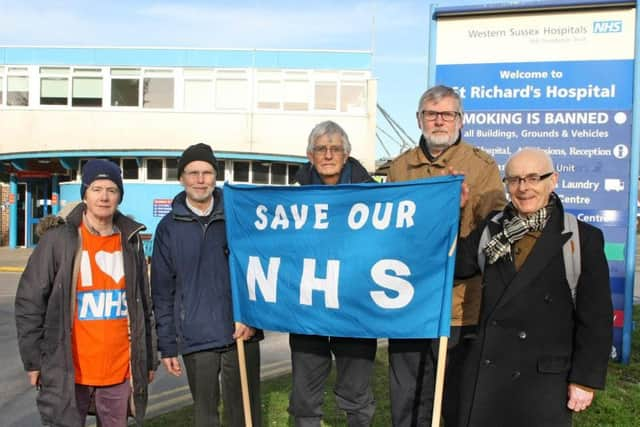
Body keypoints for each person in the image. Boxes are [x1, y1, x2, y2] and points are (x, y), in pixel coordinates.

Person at [454, 148, 612, 426]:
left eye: (533, 178)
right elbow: (453, 267)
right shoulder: (491, 232)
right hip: (488, 378)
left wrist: (584, 380)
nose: (523, 188)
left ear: (553, 181)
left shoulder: (582, 238)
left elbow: (596, 317)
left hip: (544, 383)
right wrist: (452, 211)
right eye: (514, 180)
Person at [386, 85, 506, 426]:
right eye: (431, 114)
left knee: (453, 397)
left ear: (460, 119)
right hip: (407, 302)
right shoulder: (399, 169)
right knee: (407, 396)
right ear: (419, 118)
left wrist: (459, 210)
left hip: (459, 307)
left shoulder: (481, 167)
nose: (439, 121)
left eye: (447, 114)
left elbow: (494, 234)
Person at [15, 159, 157, 427]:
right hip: (69, 371)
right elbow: (30, 301)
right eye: (96, 188)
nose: (104, 196)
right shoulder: (60, 239)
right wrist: (34, 361)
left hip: (119, 370)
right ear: (85, 193)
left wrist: (147, 358)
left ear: (119, 196)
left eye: (111, 190)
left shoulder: (131, 239)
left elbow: (143, 304)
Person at [151, 143, 262, 427]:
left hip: (240, 332)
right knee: (205, 417)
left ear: (216, 176)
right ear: (182, 178)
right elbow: (162, 293)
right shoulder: (168, 228)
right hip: (195, 336)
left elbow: (259, 271)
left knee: (245, 416)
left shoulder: (238, 217)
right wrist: (167, 345)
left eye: (207, 172)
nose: (200, 179)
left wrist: (252, 318)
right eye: (193, 173)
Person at [288, 120, 377, 426]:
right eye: (321, 149)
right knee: (304, 396)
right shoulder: (291, 199)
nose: (328, 154)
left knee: (356, 394)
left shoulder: (373, 196)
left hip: (355, 309)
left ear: (346, 154)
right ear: (310, 155)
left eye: (335, 149)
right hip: (308, 310)